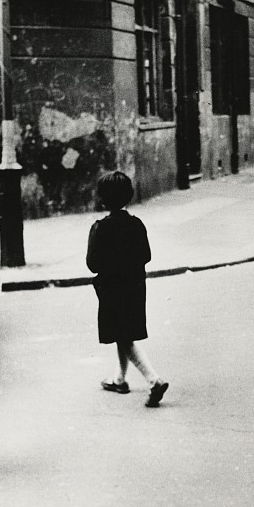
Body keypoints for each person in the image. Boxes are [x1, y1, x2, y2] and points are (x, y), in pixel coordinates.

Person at [86, 171, 168, 408]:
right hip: (134, 287)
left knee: (122, 335)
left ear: (102, 199)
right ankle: (119, 379)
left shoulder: (100, 228)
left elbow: (92, 264)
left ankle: (154, 380)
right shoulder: (136, 224)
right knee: (124, 333)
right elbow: (146, 255)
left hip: (111, 289)